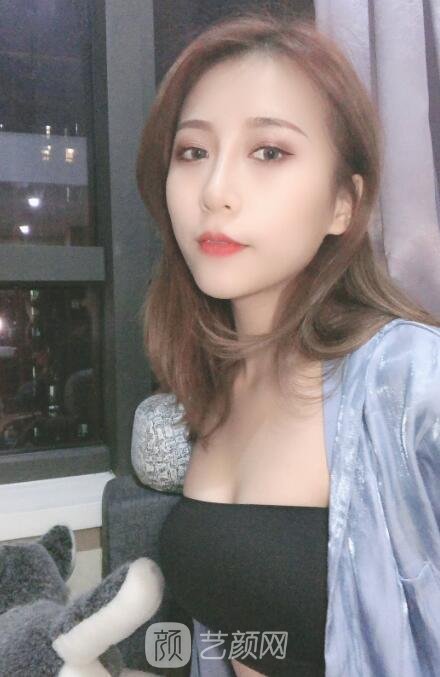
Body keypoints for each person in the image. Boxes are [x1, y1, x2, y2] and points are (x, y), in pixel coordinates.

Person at [134, 10, 440, 677]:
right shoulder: (209, 387)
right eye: (193, 152)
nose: (215, 192)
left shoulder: (414, 382)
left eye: (269, 151)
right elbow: (249, 636)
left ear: (344, 204)